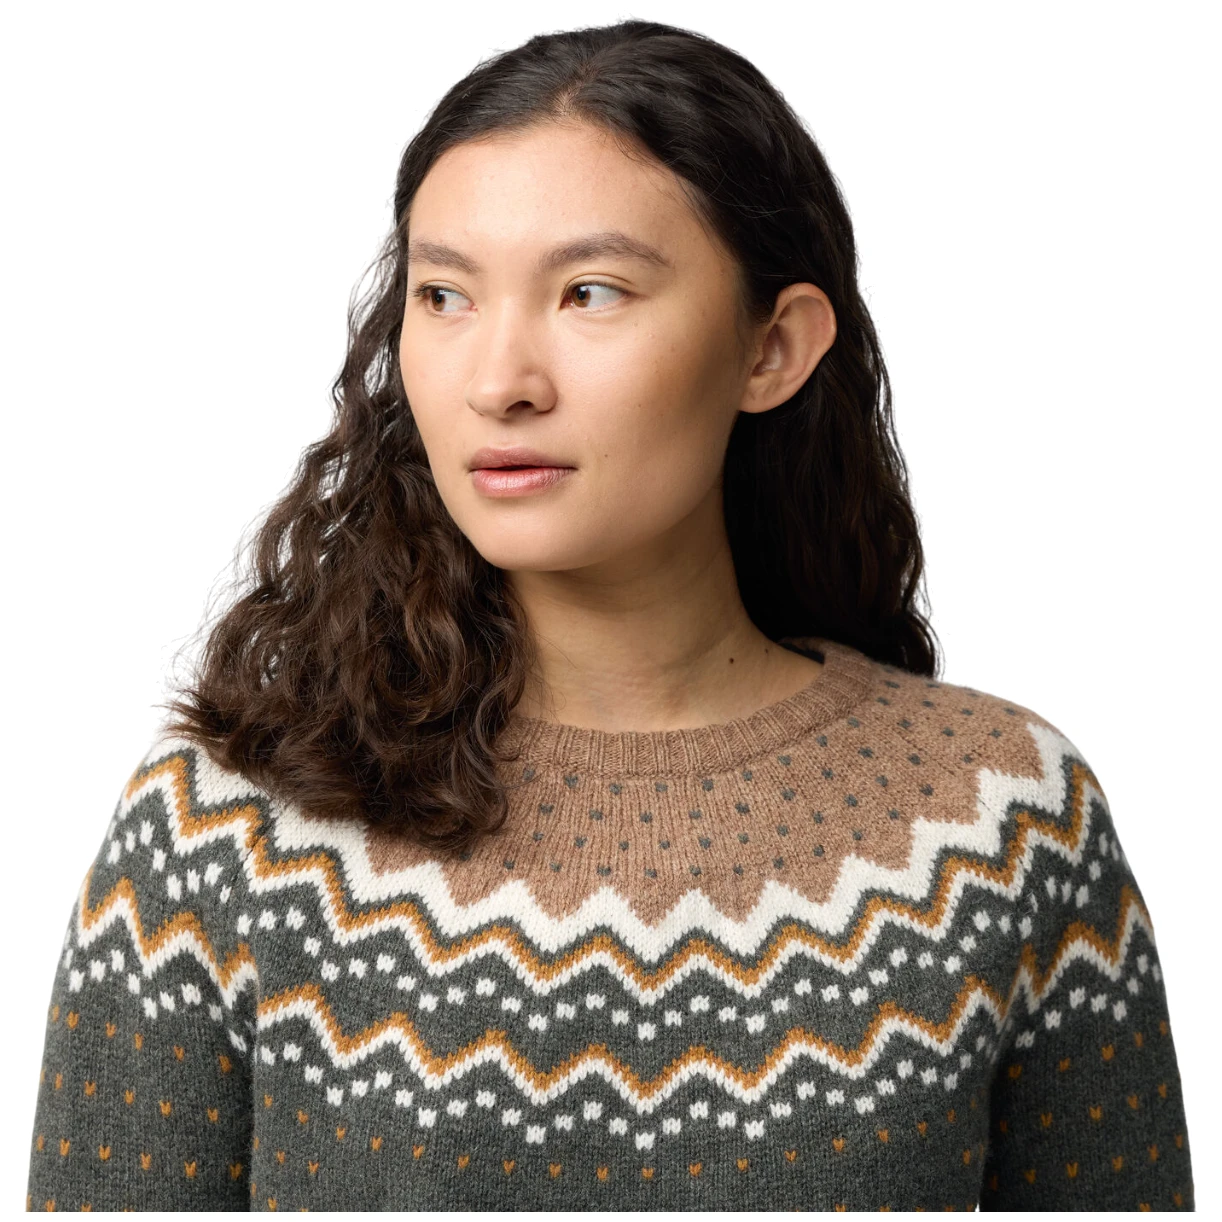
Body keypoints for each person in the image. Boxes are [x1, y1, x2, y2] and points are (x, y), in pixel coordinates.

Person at [25, 17, 1193, 1212]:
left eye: (589, 292)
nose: (498, 381)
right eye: (444, 295)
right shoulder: (225, 826)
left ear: (772, 347)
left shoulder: (999, 822)